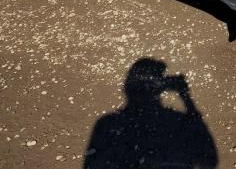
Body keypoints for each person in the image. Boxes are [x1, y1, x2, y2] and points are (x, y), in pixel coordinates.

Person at [84, 58, 218, 168]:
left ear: (127, 88)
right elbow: (208, 160)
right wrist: (187, 100)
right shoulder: (176, 122)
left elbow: (209, 160)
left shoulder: (110, 124)